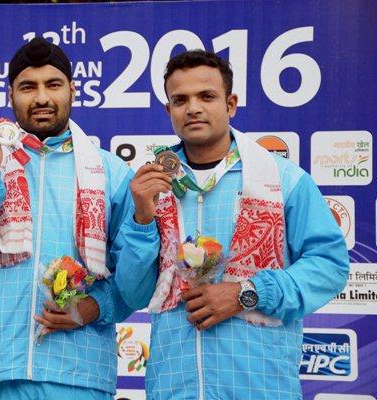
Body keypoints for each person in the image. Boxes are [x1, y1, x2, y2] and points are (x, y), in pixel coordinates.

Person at [117, 49, 349, 400]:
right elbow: (134, 294)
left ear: (231, 104)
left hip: (259, 387)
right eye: (180, 100)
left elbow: (329, 267)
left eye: (206, 96)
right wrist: (142, 219)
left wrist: (246, 293)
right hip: (172, 388)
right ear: (169, 111)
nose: (193, 107)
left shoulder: (282, 179)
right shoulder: (152, 186)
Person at [0, 37, 162, 399]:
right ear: (10, 94)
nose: (42, 98)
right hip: (0, 371)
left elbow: (136, 285)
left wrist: (95, 307)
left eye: (53, 85)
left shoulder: (109, 171)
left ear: (73, 91)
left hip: (80, 374)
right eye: (28, 87)